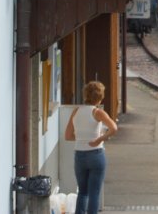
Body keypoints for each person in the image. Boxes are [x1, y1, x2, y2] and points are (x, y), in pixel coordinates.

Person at [64, 81, 118, 214]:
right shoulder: (97, 112)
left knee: (82, 192)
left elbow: (68, 136)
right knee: (94, 193)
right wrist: (99, 139)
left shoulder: (76, 111)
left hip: (80, 156)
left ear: (85, 95)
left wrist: (82, 138)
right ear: (100, 98)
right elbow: (113, 128)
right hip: (96, 155)